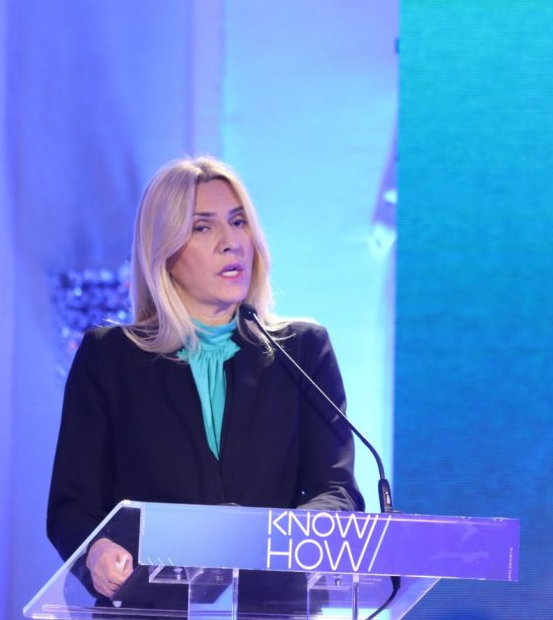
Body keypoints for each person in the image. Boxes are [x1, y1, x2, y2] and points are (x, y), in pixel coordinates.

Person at [47, 156, 364, 600]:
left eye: (238, 222)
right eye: (202, 227)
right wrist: (96, 552)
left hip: (270, 605)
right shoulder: (110, 358)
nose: (231, 242)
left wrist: (277, 543)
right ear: (165, 253)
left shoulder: (303, 351)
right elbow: (73, 506)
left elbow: (337, 492)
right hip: (149, 608)